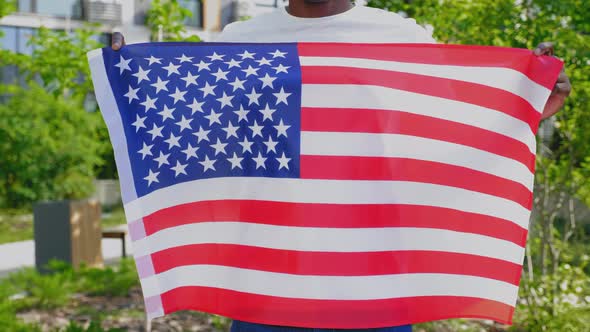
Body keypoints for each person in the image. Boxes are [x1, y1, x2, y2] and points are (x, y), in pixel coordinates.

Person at [111, 1, 571, 331]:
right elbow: (201, 144)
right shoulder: (240, 41)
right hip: (265, 285)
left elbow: (449, 138)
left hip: (376, 288)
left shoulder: (401, 36)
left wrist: (528, 106)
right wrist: (125, 82)